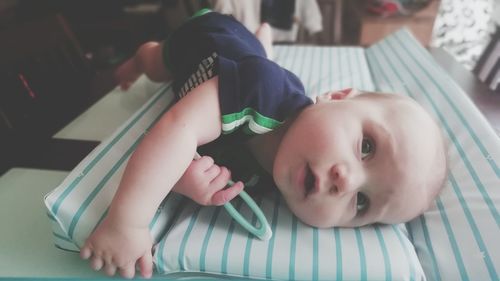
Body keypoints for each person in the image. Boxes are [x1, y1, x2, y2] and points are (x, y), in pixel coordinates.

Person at [80, 10, 447, 279]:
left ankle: (260, 41)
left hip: (244, 65)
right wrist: (128, 222)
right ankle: (149, 54)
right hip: (207, 37)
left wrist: (189, 180)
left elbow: (199, 157)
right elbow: (178, 128)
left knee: (256, 56)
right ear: (335, 95)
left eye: (362, 202)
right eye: (366, 147)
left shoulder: (278, 178)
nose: (345, 182)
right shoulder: (261, 91)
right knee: (160, 63)